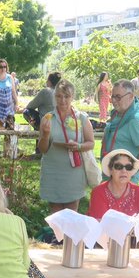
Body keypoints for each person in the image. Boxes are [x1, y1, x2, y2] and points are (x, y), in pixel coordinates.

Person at [38, 79, 96, 214]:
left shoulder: (81, 118)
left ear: (72, 97)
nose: (62, 100)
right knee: (56, 216)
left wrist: (79, 146)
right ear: (54, 97)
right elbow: (43, 149)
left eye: (66, 96)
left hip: (73, 172)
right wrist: (45, 135)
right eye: (59, 96)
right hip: (53, 171)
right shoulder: (47, 118)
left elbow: (91, 143)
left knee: (71, 215)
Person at [100, 80, 139, 181]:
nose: (113, 100)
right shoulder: (118, 113)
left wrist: (128, 173)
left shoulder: (135, 120)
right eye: (113, 96)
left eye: (118, 97)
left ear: (130, 96)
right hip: (111, 176)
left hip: (123, 182)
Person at [87, 149, 139, 219]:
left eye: (128, 167)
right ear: (110, 169)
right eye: (118, 166)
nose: (124, 171)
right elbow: (99, 222)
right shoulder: (98, 192)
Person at [0, 59, 18, 125]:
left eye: (4, 67)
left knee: (10, 129)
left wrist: (16, 104)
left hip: (9, 109)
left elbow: (13, 92)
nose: (3, 69)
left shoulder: (10, 77)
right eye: (0, 67)